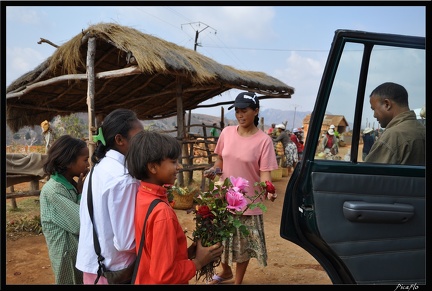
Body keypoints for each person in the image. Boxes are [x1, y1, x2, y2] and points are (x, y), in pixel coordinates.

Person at [125, 130, 223, 284]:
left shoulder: (142, 196)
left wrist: (187, 253)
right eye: (173, 162)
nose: (178, 167)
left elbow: (155, 252)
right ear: (153, 167)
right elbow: (164, 275)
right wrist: (198, 262)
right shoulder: (162, 213)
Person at [204, 91, 279, 285]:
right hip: (223, 196)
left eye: (244, 110)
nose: (240, 115)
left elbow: (265, 173)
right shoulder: (227, 133)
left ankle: (237, 281)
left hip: (247, 201)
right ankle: (226, 271)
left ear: (256, 111)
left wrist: (268, 189)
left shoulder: (264, 141)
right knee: (218, 237)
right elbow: (220, 159)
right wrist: (214, 171)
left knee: (242, 244)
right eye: (237, 111)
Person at [76, 108, 144, 284]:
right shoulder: (123, 179)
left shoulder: (97, 170)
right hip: (116, 270)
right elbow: (127, 243)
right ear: (119, 139)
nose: (143, 144)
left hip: (93, 266)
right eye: (139, 138)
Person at [40, 135, 90, 284]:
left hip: (75, 253)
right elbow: (80, 223)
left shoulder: (70, 184)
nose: (88, 165)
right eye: (85, 160)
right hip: (65, 255)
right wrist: (81, 195)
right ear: (68, 162)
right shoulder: (54, 191)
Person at [364, 82, 425, 165]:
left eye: (374, 109)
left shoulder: (392, 137)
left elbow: (369, 175)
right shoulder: (422, 130)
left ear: (387, 104)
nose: (374, 115)